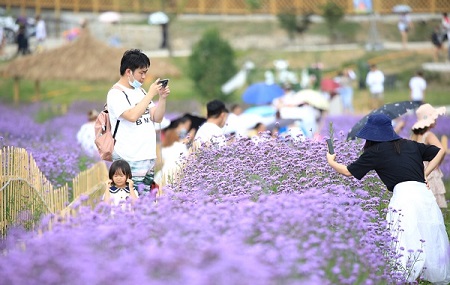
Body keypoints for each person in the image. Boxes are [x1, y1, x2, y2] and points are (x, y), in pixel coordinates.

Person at [326, 113, 449, 284]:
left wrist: (331, 161)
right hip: (424, 195)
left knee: (405, 243)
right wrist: (424, 174)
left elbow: (348, 171)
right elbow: (440, 151)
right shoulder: (410, 144)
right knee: (427, 237)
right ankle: (421, 278)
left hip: (404, 197)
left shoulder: (375, 152)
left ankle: (407, 279)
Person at [107, 49, 170, 194]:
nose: (144, 77)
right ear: (129, 72)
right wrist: (150, 94)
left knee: (146, 201)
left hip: (146, 156)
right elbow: (132, 116)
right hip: (129, 158)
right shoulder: (116, 94)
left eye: (145, 72)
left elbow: (157, 117)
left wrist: (162, 98)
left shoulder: (140, 92)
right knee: (131, 201)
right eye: (141, 72)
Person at [411, 103, 448, 209]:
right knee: (433, 203)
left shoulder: (414, 136)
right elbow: (442, 149)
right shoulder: (429, 135)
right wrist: (437, 163)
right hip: (429, 170)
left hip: (417, 169)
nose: (436, 120)